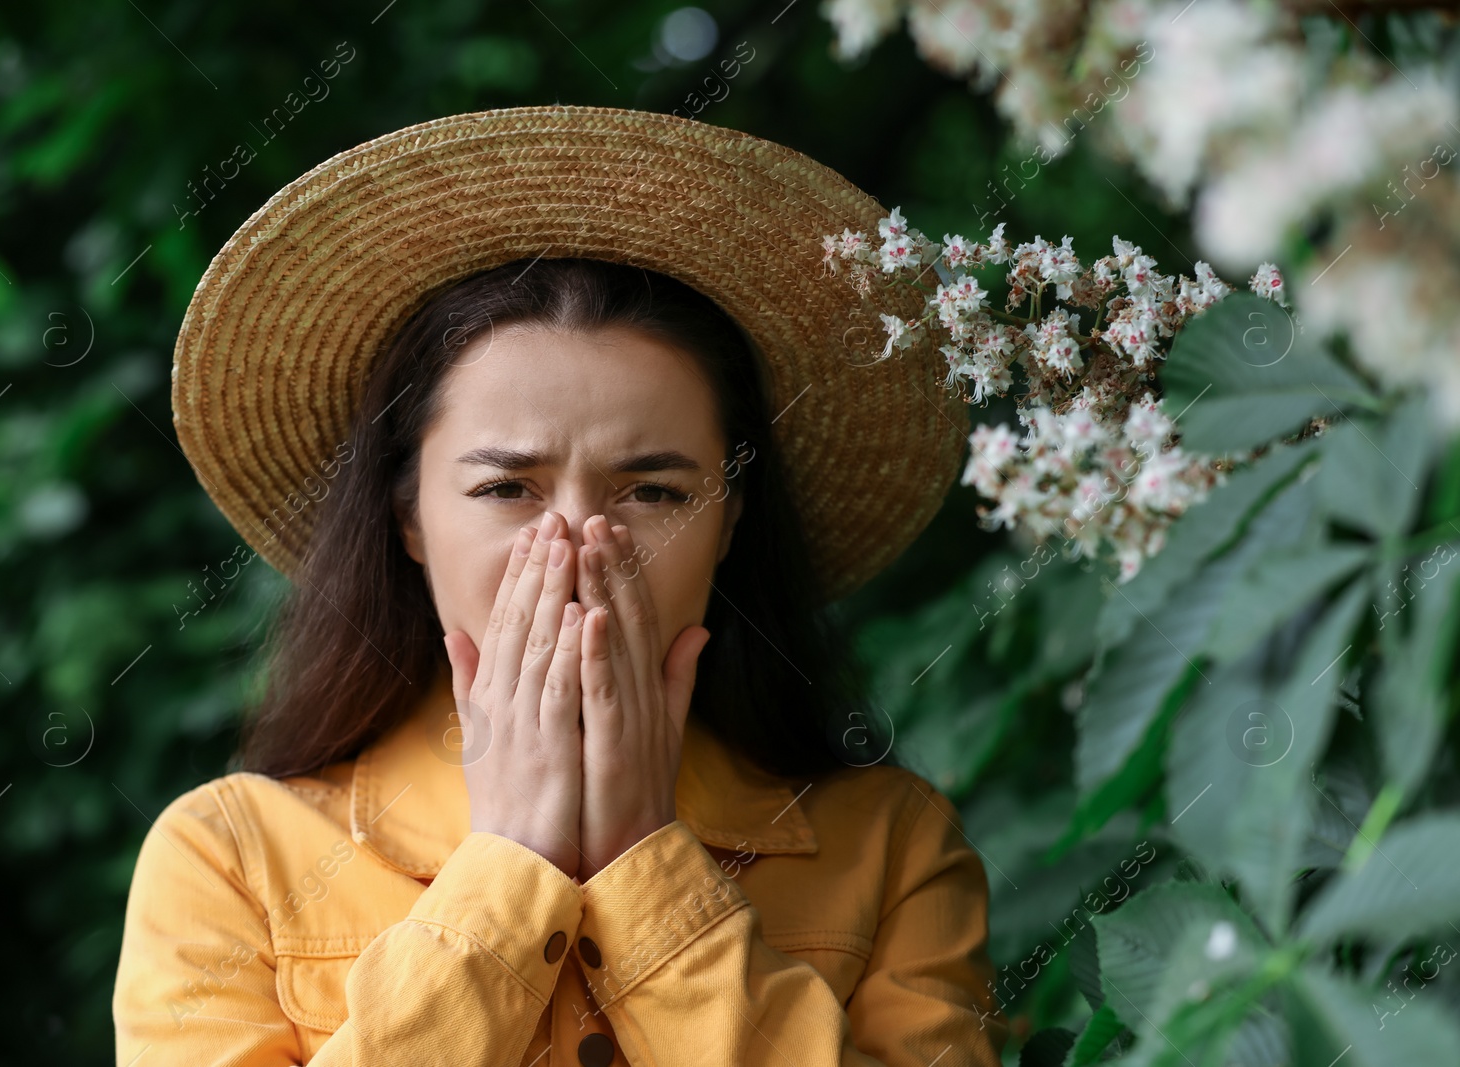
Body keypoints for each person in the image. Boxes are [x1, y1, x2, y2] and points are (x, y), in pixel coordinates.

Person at [113, 104, 1003, 1067]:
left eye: (654, 490)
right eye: (506, 488)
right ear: (409, 516)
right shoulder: (231, 855)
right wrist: (509, 872)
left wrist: (645, 862)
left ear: (731, 521)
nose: (578, 548)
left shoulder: (890, 845)